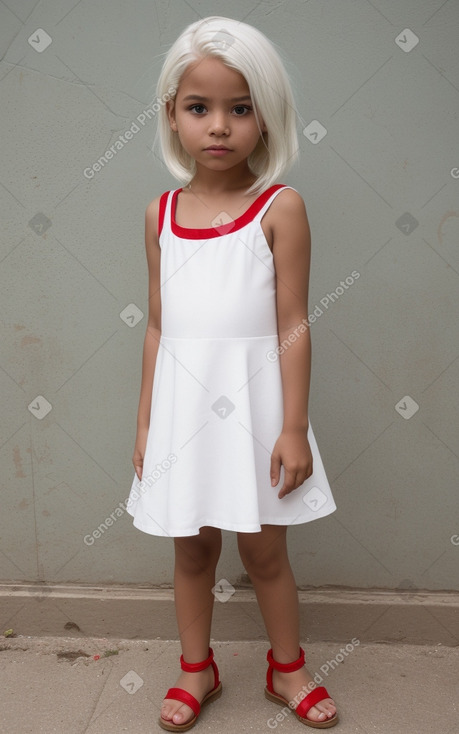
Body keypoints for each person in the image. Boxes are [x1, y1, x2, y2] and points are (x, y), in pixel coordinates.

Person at [127, 15, 339, 731]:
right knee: (192, 547)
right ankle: (197, 669)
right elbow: (158, 326)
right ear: (172, 115)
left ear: (266, 117)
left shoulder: (279, 209)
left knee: (265, 550)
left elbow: (291, 324)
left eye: (239, 108)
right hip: (182, 416)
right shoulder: (160, 214)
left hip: (256, 413)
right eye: (199, 108)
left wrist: (293, 427)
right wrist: (147, 424)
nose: (218, 126)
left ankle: (287, 669)